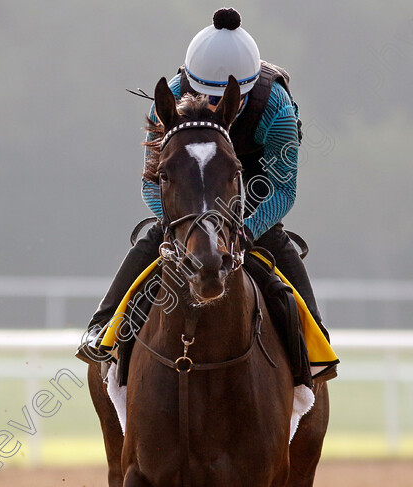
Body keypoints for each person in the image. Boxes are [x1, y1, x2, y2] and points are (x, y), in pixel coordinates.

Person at [78, 8, 335, 385]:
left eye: (223, 100)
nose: (214, 107)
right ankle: (104, 327)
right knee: (155, 237)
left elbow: (283, 188)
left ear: (241, 92)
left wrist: (245, 230)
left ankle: (314, 349)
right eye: (204, 96)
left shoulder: (276, 111)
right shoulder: (167, 103)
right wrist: (180, 223)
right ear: (188, 84)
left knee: (276, 242)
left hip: (248, 186)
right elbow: (152, 183)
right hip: (186, 183)